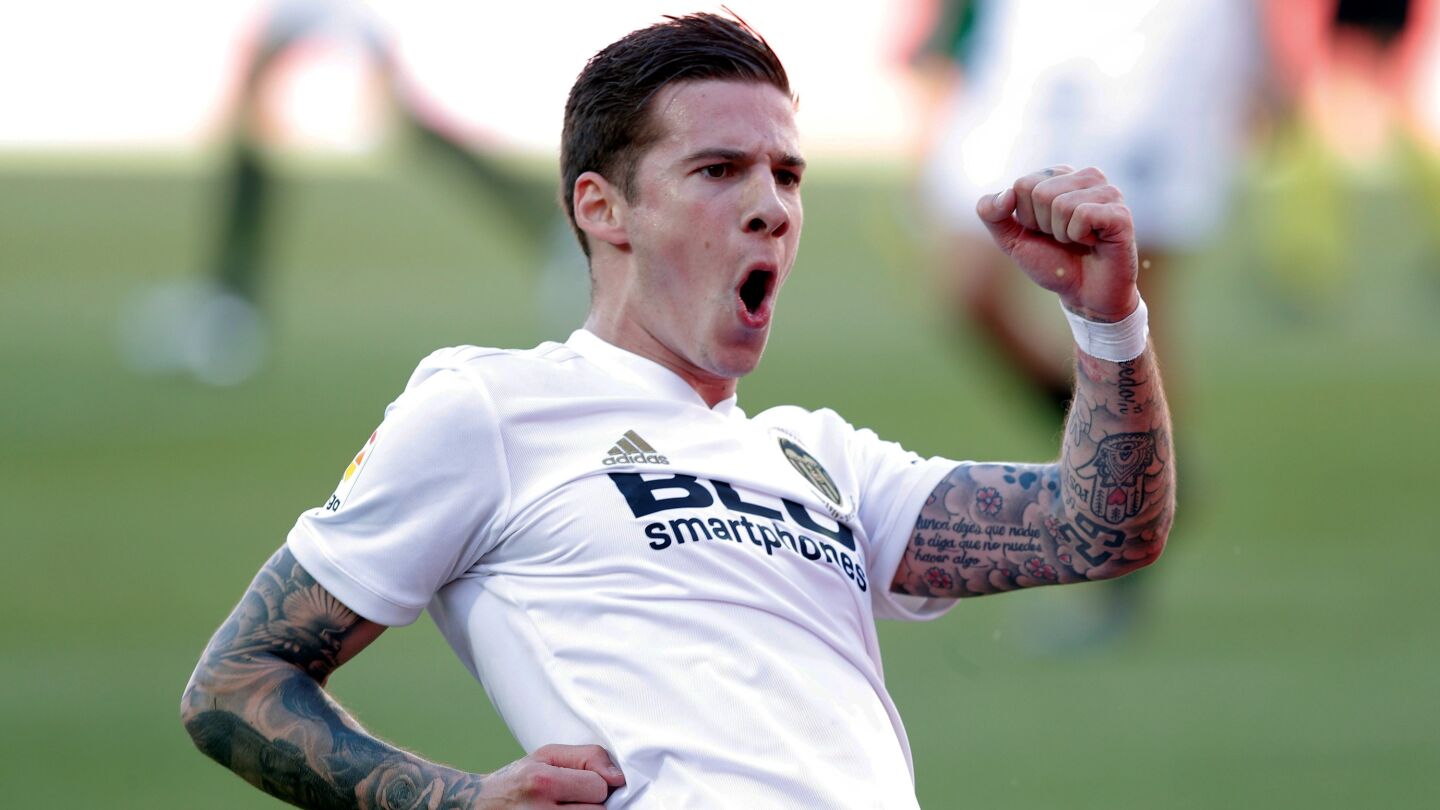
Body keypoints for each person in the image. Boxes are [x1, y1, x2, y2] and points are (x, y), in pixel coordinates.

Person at [181, 13, 1175, 808]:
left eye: (787, 174)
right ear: (601, 207)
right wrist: (453, 800)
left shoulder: (823, 460)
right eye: (719, 170)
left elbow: (1103, 527)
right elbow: (236, 684)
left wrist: (1109, 322)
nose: (772, 206)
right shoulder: (489, 410)